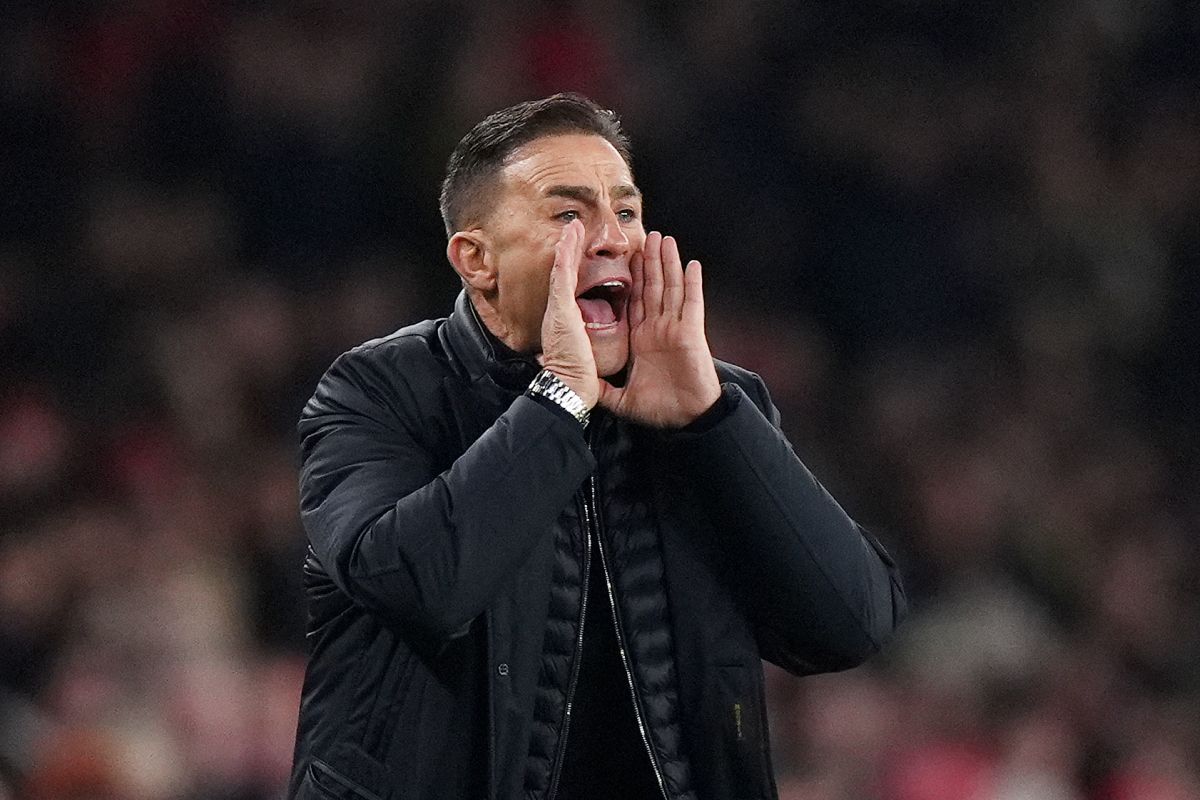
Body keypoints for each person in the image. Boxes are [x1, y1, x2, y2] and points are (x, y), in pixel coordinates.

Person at [288, 93, 906, 800]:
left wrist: (713, 424)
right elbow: (422, 587)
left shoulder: (711, 406)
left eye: (627, 211)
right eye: (569, 214)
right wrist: (559, 399)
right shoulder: (376, 392)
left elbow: (851, 626)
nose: (613, 238)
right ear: (477, 259)